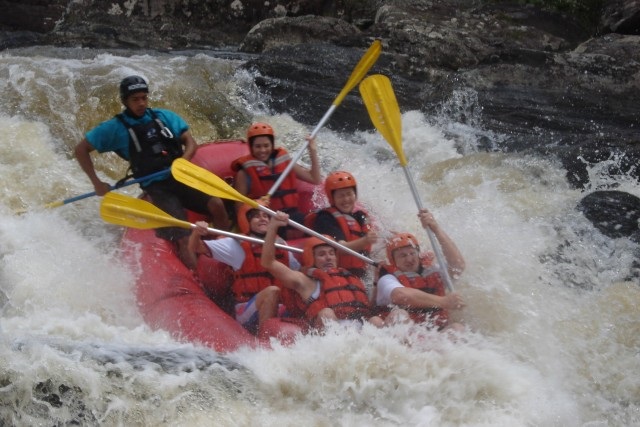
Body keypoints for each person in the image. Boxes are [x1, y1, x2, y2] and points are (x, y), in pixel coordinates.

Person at [74, 75, 230, 268]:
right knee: (183, 234)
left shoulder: (164, 117)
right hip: (157, 187)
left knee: (217, 204)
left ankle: (222, 255)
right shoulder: (114, 128)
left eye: (143, 98)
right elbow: (80, 150)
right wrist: (96, 182)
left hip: (180, 177)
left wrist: (182, 161)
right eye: (135, 99)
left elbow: (190, 142)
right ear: (124, 101)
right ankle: (195, 274)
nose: (141, 103)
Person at [186, 202, 302, 335]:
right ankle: (266, 340)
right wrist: (196, 233)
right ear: (247, 221)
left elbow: (298, 275)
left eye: (266, 216)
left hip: (280, 306)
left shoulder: (282, 245)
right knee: (272, 291)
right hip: (246, 309)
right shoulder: (236, 245)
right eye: (256, 216)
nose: (263, 218)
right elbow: (195, 247)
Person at [261, 211, 385, 329]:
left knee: (376, 321)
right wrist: (273, 226)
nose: (328, 258)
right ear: (311, 259)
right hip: (328, 334)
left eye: (331, 253)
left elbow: (370, 308)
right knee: (327, 314)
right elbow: (269, 262)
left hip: (359, 329)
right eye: (322, 254)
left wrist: (376, 282)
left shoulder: (352, 279)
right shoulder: (305, 282)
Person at [375, 208, 466, 331]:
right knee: (399, 315)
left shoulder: (432, 271)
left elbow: (458, 265)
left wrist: (436, 229)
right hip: (406, 337)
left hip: (434, 334)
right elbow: (400, 295)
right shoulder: (387, 278)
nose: (409, 259)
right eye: (402, 256)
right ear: (393, 260)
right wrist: (444, 302)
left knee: (458, 328)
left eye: (412, 253)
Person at [231, 122, 322, 228]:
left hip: (291, 215)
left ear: (272, 145)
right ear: (251, 147)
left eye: (266, 145)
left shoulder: (284, 161)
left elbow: (315, 179)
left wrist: (312, 152)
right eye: (258, 146)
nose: (263, 150)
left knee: (318, 221)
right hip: (266, 220)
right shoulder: (243, 173)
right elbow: (239, 209)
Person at [305, 171, 377, 279]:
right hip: (336, 275)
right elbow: (340, 249)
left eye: (349, 194)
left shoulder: (360, 216)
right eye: (341, 196)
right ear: (332, 198)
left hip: (362, 275)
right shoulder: (325, 218)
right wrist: (365, 241)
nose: (346, 199)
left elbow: (376, 244)